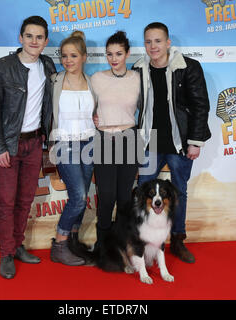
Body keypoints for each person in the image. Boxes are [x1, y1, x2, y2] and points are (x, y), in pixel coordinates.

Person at [133, 22, 211, 263]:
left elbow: (200, 105)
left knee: (179, 193)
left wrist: (195, 141)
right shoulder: (138, 69)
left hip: (180, 142)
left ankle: (177, 239)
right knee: (143, 190)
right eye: (148, 41)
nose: (153, 46)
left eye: (157, 41)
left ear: (168, 42)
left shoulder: (188, 67)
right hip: (150, 141)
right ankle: (145, 241)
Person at [0, 16, 56, 279]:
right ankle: (5, 254)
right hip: (9, 145)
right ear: (20, 38)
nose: (34, 41)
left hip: (35, 143)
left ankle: (17, 246)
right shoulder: (0, 68)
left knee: (25, 201)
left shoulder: (48, 65)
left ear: (46, 41)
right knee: (6, 202)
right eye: (29, 36)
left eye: (39, 37)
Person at [49, 31, 97, 266]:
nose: (68, 60)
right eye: (64, 56)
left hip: (89, 143)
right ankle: (59, 246)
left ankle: (74, 243)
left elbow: (97, 111)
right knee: (78, 198)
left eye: (73, 56)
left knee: (83, 195)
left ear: (84, 57)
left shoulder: (92, 83)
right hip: (64, 144)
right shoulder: (54, 82)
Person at [91, 31, 141, 249]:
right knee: (107, 195)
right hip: (103, 139)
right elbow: (86, 108)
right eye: (109, 54)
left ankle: (122, 244)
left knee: (124, 197)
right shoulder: (97, 79)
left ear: (127, 54)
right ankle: (103, 244)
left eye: (118, 53)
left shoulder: (138, 78)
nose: (113, 58)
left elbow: (148, 109)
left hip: (130, 137)